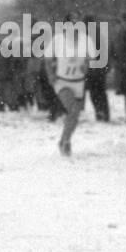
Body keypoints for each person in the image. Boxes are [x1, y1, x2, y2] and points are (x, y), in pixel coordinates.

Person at [45, 15, 90, 156]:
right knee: (72, 109)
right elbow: (47, 59)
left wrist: (85, 66)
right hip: (62, 81)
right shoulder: (57, 40)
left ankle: (65, 139)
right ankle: (66, 143)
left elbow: (88, 60)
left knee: (75, 115)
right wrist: (51, 74)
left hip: (78, 81)